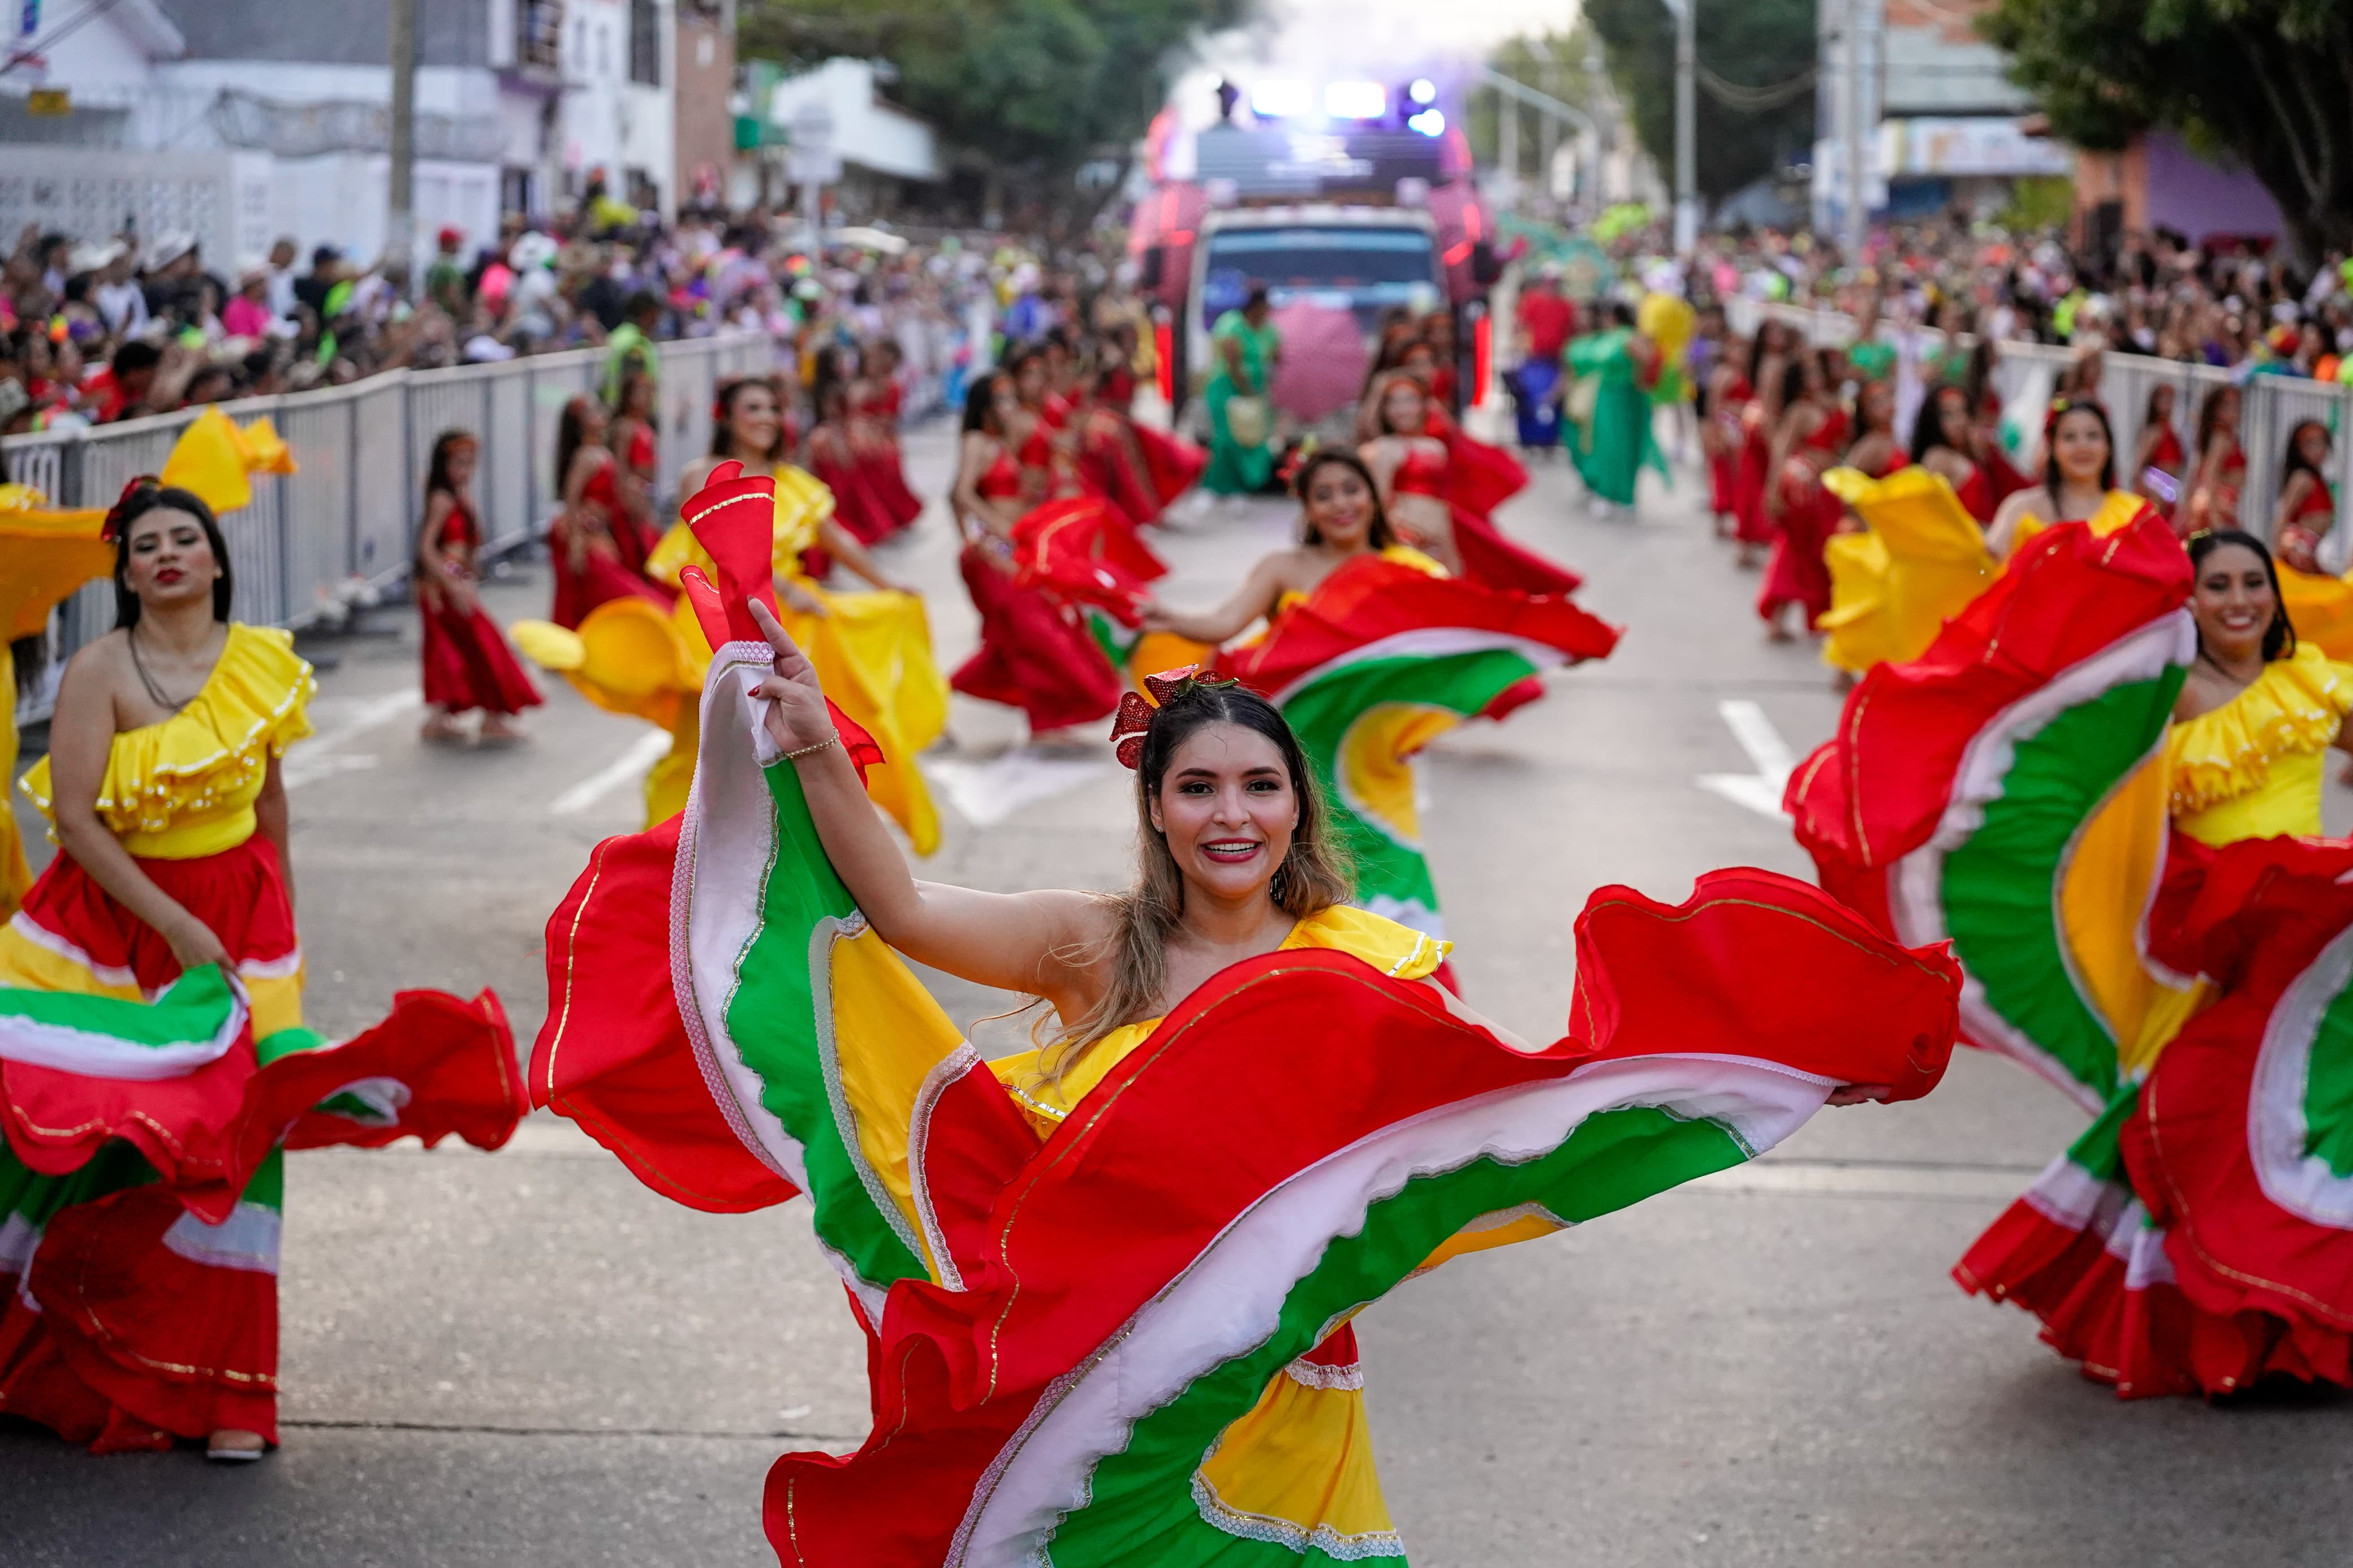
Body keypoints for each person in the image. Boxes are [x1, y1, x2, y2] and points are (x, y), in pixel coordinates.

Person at [524, 482, 1957, 1561]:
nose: (1229, 814)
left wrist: (1763, 1071)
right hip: (1098, 1379)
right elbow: (896, 907)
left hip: (1283, 1390)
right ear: (1157, 808)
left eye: (1258, 788)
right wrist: (820, 745)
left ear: (1296, 807)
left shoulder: (1363, 961)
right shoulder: (1097, 944)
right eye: (1198, 789)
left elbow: (1501, 1118)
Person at [0, 481, 520, 1458]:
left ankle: (230, 1395)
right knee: (94, 1127)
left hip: (242, 922)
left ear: (215, 559)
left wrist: (279, 938)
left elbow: (272, 810)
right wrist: (175, 924)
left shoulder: (262, 664)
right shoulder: (96, 668)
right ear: (125, 571)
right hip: (109, 923)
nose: (165, 553)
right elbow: (75, 821)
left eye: (184, 538)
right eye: (145, 543)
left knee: (239, 1131)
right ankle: (43, 1342)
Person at [947, 372, 1124, 739]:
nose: (1010, 408)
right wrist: (986, 536)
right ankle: (1044, 720)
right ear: (986, 406)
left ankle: (1042, 721)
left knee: (1017, 640)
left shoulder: (1003, 443)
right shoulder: (976, 440)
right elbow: (961, 494)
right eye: (1003, 401)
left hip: (1008, 548)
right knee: (1036, 633)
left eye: (1012, 399)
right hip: (991, 553)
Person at [414, 430, 542, 743]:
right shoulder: (443, 499)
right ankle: (488, 716)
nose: (466, 471)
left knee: (467, 648)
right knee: (483, 647)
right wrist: (450, 583)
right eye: (459, 463)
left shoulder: (460, 497)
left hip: (457, 583)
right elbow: (427, 547)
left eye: (470, 464)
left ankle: (453, 716)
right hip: (445, 587)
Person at [548, 394, 665, 629]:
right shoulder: (585, 457)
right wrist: (578, 540)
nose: (602, 416)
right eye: (594, 413)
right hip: (583, 534)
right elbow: (572, 499)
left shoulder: (602, 452)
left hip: (596, 532)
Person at [1757, 355, 1846, 641]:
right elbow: (1782, 448)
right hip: (1802, 492)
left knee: (1817, 553)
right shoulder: (1801, 410)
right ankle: (1778, 620)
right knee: (1795, 552)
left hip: (1826, 492)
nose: (1816, 377)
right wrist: (1772, 491)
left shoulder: (1835, 406)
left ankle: (1817, 616)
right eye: (1808, 373)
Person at [1985, 399, 2134, 560]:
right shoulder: (2021, 508)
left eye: (2093, 436)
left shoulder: (2132, 513)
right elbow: (1986, 567)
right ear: (2053, 448)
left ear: (2108, 446)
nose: (2082, 446)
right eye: (2069, 437)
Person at [1203, 287, 1281, 496]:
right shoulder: (1232, 324)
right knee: (1225, 439)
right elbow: (1233, 362)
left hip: (1255, 391)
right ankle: (1216, 487)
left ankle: (1242, 486)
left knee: (1251, 439)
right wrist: (1246, 389)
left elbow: (1276, 357)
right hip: (1227, 389)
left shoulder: (1269, 329)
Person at [1909, 383, 1991, 522]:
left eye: (1962, 412)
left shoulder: (1965, 452)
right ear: (1934, 420)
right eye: (1948, 415)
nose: (1960, 421)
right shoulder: (1937, 457)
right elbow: (1923, 511)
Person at [2270, 418, 2335, 575]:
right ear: (2299, 448)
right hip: (2298, 550)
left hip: (2309, 551)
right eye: (2311, 444)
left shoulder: (2317, 479)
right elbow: (2283, 516)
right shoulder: (2302, 478)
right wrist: (2276, 555)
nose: (2319, 450)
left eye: (2323, 443)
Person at [2184, 383, 2246, 532]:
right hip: (2216, 506)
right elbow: (2208, 476)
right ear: (2216, 410)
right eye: (2227, 406)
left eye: (2236, 406)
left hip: (2219, 505)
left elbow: (2197, 471)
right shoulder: (2221, 438)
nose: (2233, 411)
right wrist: (2215, 516)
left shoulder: (2223, 437)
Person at [2131, 382, 2186, 519]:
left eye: (2172, 399)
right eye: (2165, 399)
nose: (2169, 404)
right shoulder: (2153, 431)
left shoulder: (2171, 432)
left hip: (2170, 492)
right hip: (2155, 493)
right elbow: (2138, 467)